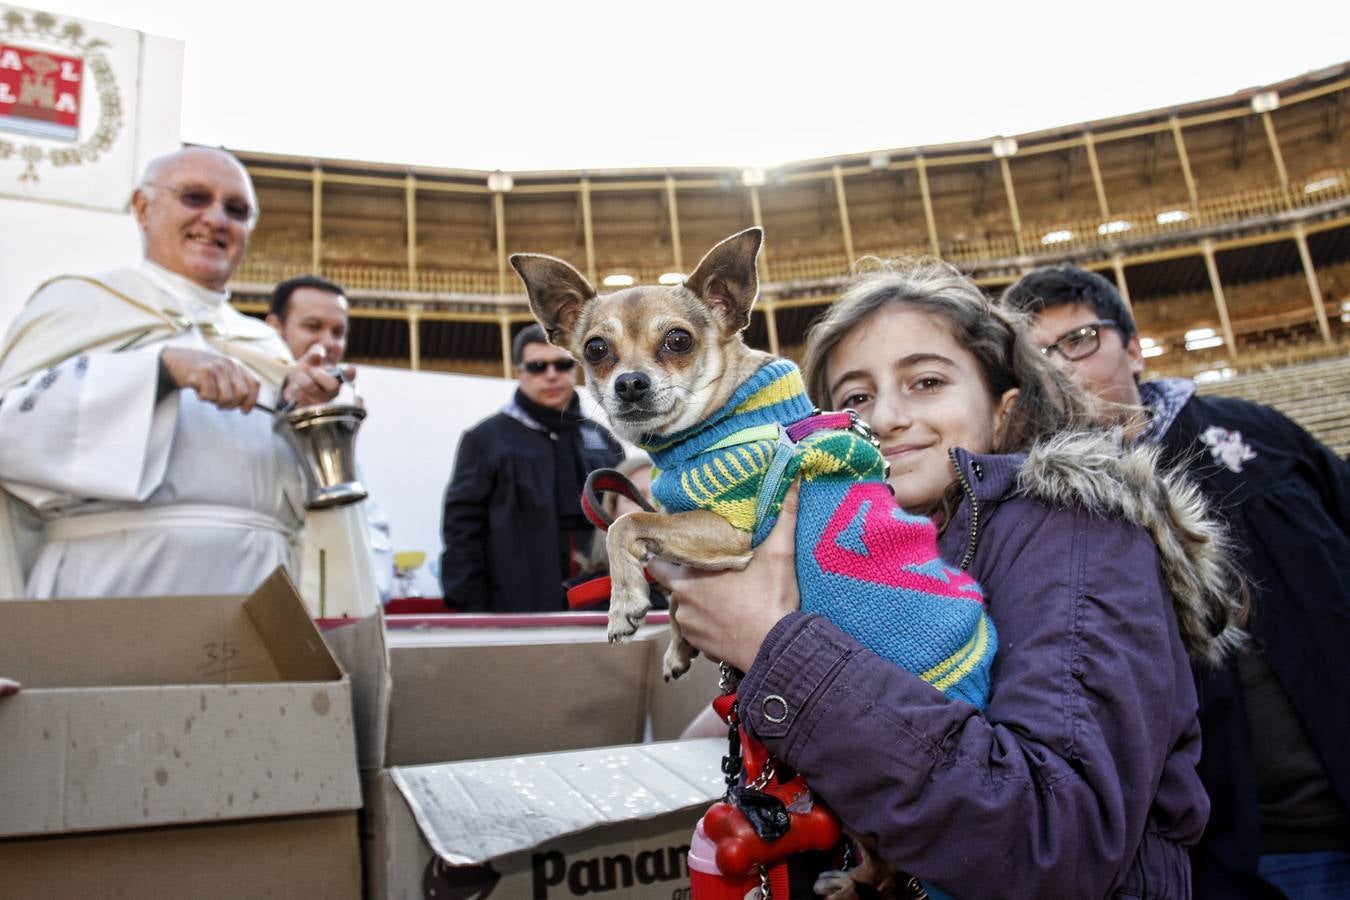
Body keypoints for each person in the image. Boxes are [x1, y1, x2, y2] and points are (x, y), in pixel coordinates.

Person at [648, 261, 1245, 898]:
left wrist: (776, 646)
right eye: (853, 398)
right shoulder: (864, 562)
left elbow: (1053, 840)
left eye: (926, 382)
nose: (884, 417)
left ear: (1006, 409)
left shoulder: (1079, 534)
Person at [1004, 264, 1350, 899]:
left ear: (1134, 348)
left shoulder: (1258, 434)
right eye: (1042, 356)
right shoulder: (1042, 513)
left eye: (1080, 340)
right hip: (1241, 853)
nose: (1065, 367)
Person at [0, 147, 344, 599]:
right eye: (195, 197)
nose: (217, 220)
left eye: (237, 210)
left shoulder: (264, 346)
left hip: (259, 585)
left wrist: (305, 411)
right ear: (143, 208)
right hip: (112, 582)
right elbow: (10, 435)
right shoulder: (79, 305)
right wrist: (155, 372)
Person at [439, 324, 624, 612]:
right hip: (516, 606)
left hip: (600, 606)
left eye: (562, 364)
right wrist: (472, 605)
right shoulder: (485, 440)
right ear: (518, 372)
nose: (551, 375)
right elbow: (462, 529)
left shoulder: (602, 438)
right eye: (538, 366)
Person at [265, 274, 395, 602]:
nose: (328, 343)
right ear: (274, 328)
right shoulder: (243, 398)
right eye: (312, 326)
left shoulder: (341, 416)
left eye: (338, 332)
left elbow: (367, 522)